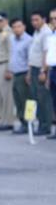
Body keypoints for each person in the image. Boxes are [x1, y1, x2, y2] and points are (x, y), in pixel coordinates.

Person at [29, 11, 54, 137]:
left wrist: (43, 71)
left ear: (43, 20)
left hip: (41, 69)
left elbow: (46, 52)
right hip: (34, 68)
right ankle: (40, 123)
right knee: (36, 98)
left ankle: (46, 126)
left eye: (37, 20)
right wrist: (29, 72)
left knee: (43, 98)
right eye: (32, 20)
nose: (34, 22)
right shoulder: (36, 32)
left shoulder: (46, 32)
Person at [0, 12, 15, 130]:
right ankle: (2, 119)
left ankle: (8, 120)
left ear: (6, 21)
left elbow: (11, 51)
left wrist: (9, 69)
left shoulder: (8, 33)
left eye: (0, 21)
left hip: (4, 65)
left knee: (6, 95)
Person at [10, 18, 32, 134]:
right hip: (14, 73)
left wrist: (29, 74)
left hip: (24, 73)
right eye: (14, 27)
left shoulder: (28, 40)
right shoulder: (12, 39)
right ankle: (22, 122)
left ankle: (28, 124)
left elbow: (30, 59)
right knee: (17, 100)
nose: (16, 29)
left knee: (24, 100)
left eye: (19, 26)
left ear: (24, 27)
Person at [47, 8, 56, 138]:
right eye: (52, 18)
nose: (53, 21)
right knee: (54, 101)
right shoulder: (52, 35)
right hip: (53, 70)